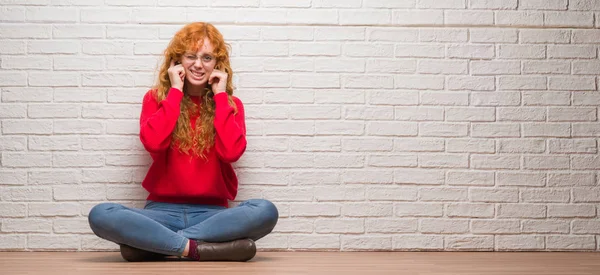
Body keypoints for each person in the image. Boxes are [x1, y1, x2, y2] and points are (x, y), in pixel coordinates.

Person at [87, 22, 278, 262]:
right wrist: (175, 91)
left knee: (265, 210)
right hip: (160, 212)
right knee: (101, 214)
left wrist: (220, 96)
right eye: (191, 56)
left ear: (217, 64)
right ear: (177, 61)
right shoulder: (157, 99)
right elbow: (154, 144)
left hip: (212, 216)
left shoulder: (230, 105)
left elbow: (231, 153)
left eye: (207, 57)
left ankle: (157, 243)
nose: (198, 65)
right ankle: (196, 249)